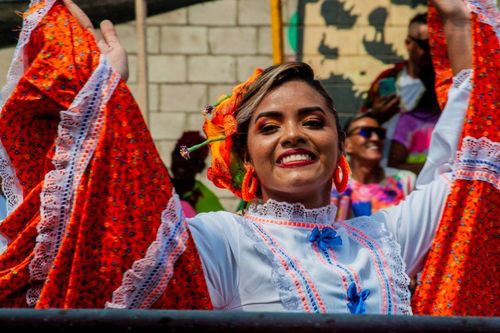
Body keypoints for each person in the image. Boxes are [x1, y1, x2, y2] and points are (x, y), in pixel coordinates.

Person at [362, 13, 440, 175]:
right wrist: (376, 116)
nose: (430, 51)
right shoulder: (388, 78)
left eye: (436, 45)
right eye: (424, 45)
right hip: (385, 170)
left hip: (426, 172)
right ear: (408, 43)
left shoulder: (443, 84)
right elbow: (361, 124)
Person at [331, 113, 415, 221]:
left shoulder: (405, 181)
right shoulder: (333, 185)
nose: (375, 138)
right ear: (346, 145)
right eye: (366, 132)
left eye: (380, 133)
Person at [171, 131, 224, 217]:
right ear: (172, 155)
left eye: (191, 160)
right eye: (179, 155)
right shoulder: (159, 184)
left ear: (200, 167)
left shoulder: (206, 200)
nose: (182, 162)